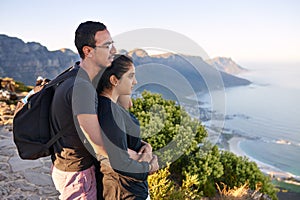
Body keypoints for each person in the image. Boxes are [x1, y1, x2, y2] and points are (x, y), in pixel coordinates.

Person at [49, 21, 116, 199]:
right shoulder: (82, 87)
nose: (114, 50)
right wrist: (140, 161)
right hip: (78, 175)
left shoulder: (72, 74)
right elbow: (98, 144)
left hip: (65, 166)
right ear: (88, 51)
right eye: (108, 45)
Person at [96, 55, 159, 199]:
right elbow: (119, 159)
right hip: (124, 192)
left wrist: (146, 146)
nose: (135, 82)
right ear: (114, 80)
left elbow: (122, 141)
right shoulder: (108, 112)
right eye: (130, 76)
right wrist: (150, 166)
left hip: (131, 189)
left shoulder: (112, 106)